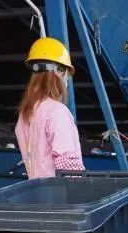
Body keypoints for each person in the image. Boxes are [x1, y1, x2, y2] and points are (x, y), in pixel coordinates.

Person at [15, 37, 85, 179]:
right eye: (66, 73)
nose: (66, 79)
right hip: (59, 191)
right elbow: (67, 165)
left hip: (37, 189)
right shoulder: (57, 112)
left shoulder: (25, 113)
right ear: (58, 72)